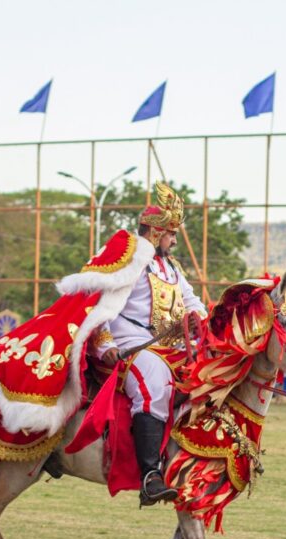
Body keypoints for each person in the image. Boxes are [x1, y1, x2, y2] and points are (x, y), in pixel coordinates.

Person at [92, 184, 206, 506]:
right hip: (131, 342)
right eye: (171, 234)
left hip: (171, 345)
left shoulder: (171, 267)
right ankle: (150, 476)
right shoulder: (130, 261)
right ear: (156, 233)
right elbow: (102, 304)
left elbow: (191, 299)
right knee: (154, 385)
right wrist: (105, 344)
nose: (174, 240)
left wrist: (198, 316)